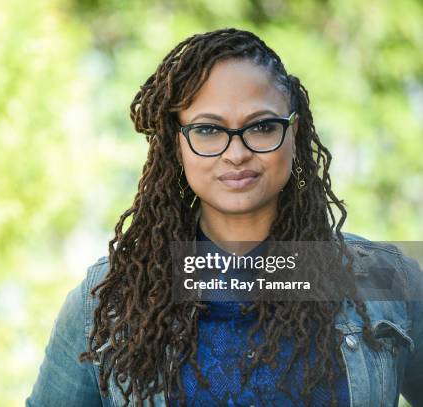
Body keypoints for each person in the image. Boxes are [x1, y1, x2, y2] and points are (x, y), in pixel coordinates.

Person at [26, 27, 423, 406]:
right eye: (208, 130)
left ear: (294, 133)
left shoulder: (385, 280)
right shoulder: (109, 300)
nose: (236, 153)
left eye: (263, 126)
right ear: (176, 143)